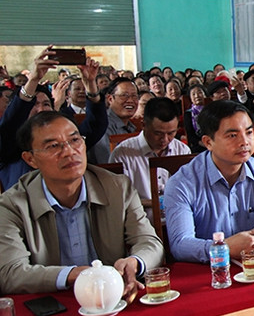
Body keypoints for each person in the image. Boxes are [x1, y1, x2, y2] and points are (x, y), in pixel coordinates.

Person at [0, 112, 164, 296]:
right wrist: (73, 275)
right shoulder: (11, 205)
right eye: (54, 146)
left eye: (75, 140)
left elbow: (150, 242)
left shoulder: (118, 187)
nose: (69, 151)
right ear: (30, 159)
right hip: (55, 303)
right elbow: (10, 273)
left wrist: (135, 261)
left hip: (113, 297)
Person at [164, 100, 254, 263]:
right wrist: (224, 248)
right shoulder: (182, 183)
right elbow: (180, 245)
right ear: (208, 142)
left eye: (249, 132)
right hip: (209, 271)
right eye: (232, 135)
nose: (245, 142)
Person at [2, 49, 107, 188]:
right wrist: (33, 79)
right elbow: (10, 123)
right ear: (29, 158)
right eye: (33, 105)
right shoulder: (10, 143)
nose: (40, 110)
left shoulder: (68, 140)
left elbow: (96, 125)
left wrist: (90, 84)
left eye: (46, 104)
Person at [110, 97, 191, 224]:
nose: (165, 140)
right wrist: (155, 203)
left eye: (171, 133)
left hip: (177, 222)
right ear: (144, 125)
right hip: (139, 225)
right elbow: (118, 200)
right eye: (158, 133)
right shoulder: (123, 154)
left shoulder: (182, 150)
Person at [88, 77, 140, 165]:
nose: (130, 100)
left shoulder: (132, 126)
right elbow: (107, 165)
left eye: (134, 96)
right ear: (110, 99)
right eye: (124, 95)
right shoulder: (103, 126)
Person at [183, 84, 208, 153]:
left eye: (199, 92)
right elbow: (190, 134)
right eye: (193, 94)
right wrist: (203, 144)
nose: (197, 96)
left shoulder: (211, 110)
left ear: (205, 95)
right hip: (198, 145)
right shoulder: (188, 113)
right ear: (190, 98)